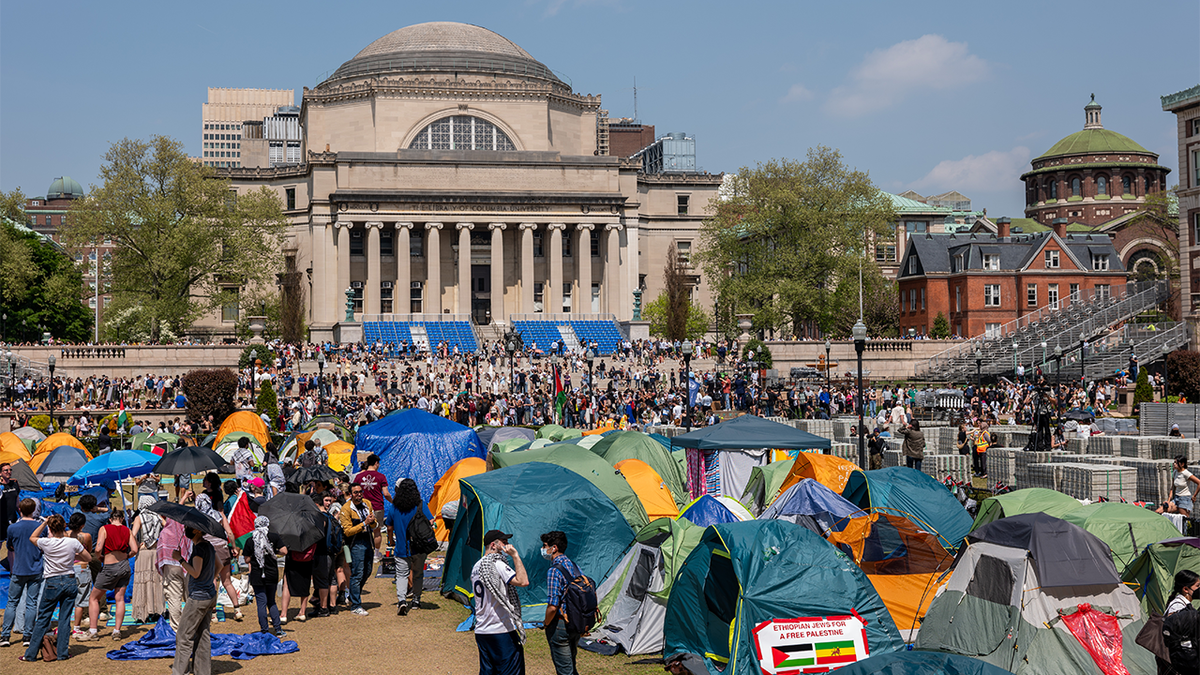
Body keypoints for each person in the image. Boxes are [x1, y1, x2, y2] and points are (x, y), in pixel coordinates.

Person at [18, 515, 89, 662]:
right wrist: (73, 555)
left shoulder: (46, 542)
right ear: (64, 527)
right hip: (69, 580)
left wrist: (44, 522)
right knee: (65, 619)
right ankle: (62, 653)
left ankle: (30, 654)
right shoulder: (73, 542)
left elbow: (33, 537)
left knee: (43, 618)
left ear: (50, 529)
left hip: (52, 582)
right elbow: (88, 557)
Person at [472, 530, 529, 675]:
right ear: (493, 545)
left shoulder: (476, 566)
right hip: (500, 630)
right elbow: (523, 581)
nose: (507, 545)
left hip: (482, 629)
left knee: (488, 671)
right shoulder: (496, 564)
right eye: (504, 542)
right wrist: (515, 556)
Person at [171, 526, 219, 675]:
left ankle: (180, 671)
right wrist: (210, 580)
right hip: (209, 596)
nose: (186, 529)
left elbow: (195, 573)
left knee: (184, 635)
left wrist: (180, 559)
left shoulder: (199, 549)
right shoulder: (209, 546)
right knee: (203, 635)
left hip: (198, 598)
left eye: (189, 527)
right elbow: (220, 565)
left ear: (198, 530)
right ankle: (202, 671)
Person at [85, 509, 136, 641]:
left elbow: (97, 548)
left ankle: (93, 630)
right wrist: (127, 556)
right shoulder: (127, 530)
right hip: (124, 566)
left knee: (94, 598)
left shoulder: (105, 528)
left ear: (110, 519)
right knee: (120, 599)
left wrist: (100, 558)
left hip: (109, 566)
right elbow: (135, 549)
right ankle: (117, 631)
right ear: (122, 519)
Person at [387, 478, 434, 615]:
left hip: (402, 547)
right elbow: (431, 521)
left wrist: (391, 541)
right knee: (418, 574)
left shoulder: (394, 507)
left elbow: (389, 526)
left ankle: (402, 601)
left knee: (401, 575)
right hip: (419, 547)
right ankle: (416, 600)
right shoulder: (421, 505)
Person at [196, 488, 243, 620]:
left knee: (212, 581)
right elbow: (229, 533)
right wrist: (233, 547)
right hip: (223, 549)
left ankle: (214, 613)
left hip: (210, 551)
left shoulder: (199, 519)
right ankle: (237, 609)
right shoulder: (219, 515)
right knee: (227, 581)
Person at [1, 498, 43, 648]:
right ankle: (28, 635)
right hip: (36, 569)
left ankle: (5, 635)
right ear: (34, 510)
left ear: (19, 509)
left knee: (12, 603)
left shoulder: (12, 528)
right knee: (31, 603)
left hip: (19, 569)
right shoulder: (40, 527)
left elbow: (10, 546)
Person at [541, 530, 584, 675]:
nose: (543, 549)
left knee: (565, 670)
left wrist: (546, 623)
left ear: (554, 548)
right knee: (571, 665)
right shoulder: (574, 565)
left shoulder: (554, 570)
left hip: (560, 624)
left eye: (545, 546)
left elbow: (553, 606)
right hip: (576, 621)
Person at [338, 483, 377, 616]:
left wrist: (372, 522)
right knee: (357, 573)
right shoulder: (346, 509)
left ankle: (353, 595)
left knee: (368, 571)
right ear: (350, 494)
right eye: (355, 492)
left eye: (360, 492)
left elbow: (375, 524)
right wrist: (364, 524)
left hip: (368, 540)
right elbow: (347, 531)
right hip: (355, 543)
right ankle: (356, 604)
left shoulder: (367, 504)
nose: (359, 495)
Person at [243, 515, 285, 635]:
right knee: (271, 601)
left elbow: (246, 560)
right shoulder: (274, 537)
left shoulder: (250, 540)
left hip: (257, 574)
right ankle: (278, 629)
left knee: (261, 602)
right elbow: (284, 551)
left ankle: (264, 630)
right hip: (272, 573)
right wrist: (272, 551)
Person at [130, 495, 165, 623]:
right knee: (156, 581)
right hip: (156, 551)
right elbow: (167, 528)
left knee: (142, 581)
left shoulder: (139, 518)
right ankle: (157, 610)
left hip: (144, 551)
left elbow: (132, 535)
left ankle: (142, 612)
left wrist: (137, 545)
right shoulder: (158, 517)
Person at [352, 454, 390, 559]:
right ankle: (376, 555)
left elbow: (354, 492)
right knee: (377, 532)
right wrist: (393, 501)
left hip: (362, 508)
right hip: (377, 507)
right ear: (376, 463)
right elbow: (386, 494)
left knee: (362, 531)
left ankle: (363, 554)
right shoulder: (381, 476)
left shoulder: (358, 477)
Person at [157, 515, 191, 632]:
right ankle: (191, 626)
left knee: (174, 597)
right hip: (187, 566)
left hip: (170, 566)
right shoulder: (186, 533)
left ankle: (176, 628)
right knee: (189, 597)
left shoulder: (165, 533)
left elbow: (160, 551)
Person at [67, 512, 94, 638]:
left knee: (67, 599)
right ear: (82, 525)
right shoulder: (86, 536)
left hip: (68, 567)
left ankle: (65, 625)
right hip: (82, 567)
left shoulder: (64, 535)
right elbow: (88, 550)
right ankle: (76, 627)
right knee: (80, 600)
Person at [1, 463, 20, 555]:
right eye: (6, 470)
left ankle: (13, 569)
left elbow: (17, 503)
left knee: (12, 547)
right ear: (0, 473)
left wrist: (21, 515)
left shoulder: (14, 484)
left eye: (10, 470)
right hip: (1, 521)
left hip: (12, 520)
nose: (9, 472)